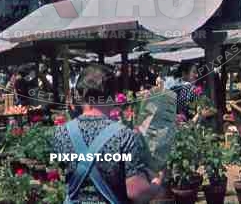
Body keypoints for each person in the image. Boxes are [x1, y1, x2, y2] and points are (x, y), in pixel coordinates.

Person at [54, 65, 164, 204]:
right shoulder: (124, 136)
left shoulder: (62, 133)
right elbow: (136, 193)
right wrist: (156, 183)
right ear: (112, 96)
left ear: (80, 95)